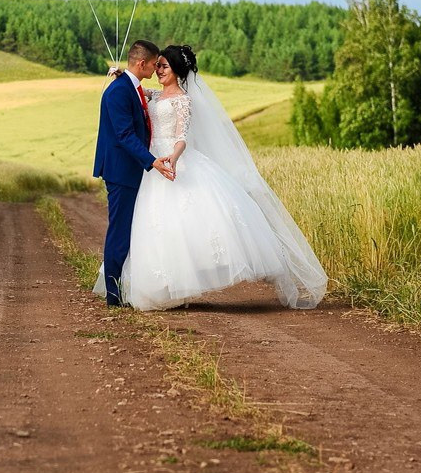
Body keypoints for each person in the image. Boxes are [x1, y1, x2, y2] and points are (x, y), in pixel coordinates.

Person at [94, 44, 327, 311]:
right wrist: (122, 74)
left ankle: (170, 286)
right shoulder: (150, 94)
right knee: (149, 227)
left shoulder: (183, 100)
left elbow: (181, 136)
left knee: (175, 225)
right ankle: (137, 288)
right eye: (156, 65)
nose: (158, 70)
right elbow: (136, 95)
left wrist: (174, 155)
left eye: (163, 66)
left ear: (176, 70)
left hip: (167, 160)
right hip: (151, 165)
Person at [92, 39, 174, 307]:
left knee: (129, 228)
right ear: (141, 63)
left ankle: (122, 287)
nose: (155, 68)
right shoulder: (118, 93)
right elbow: (125, 135)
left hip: (128, 170)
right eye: (153, 64)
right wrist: (152, 162)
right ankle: (113, 295)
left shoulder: (131, 87)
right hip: (120, 171)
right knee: (120, 230)